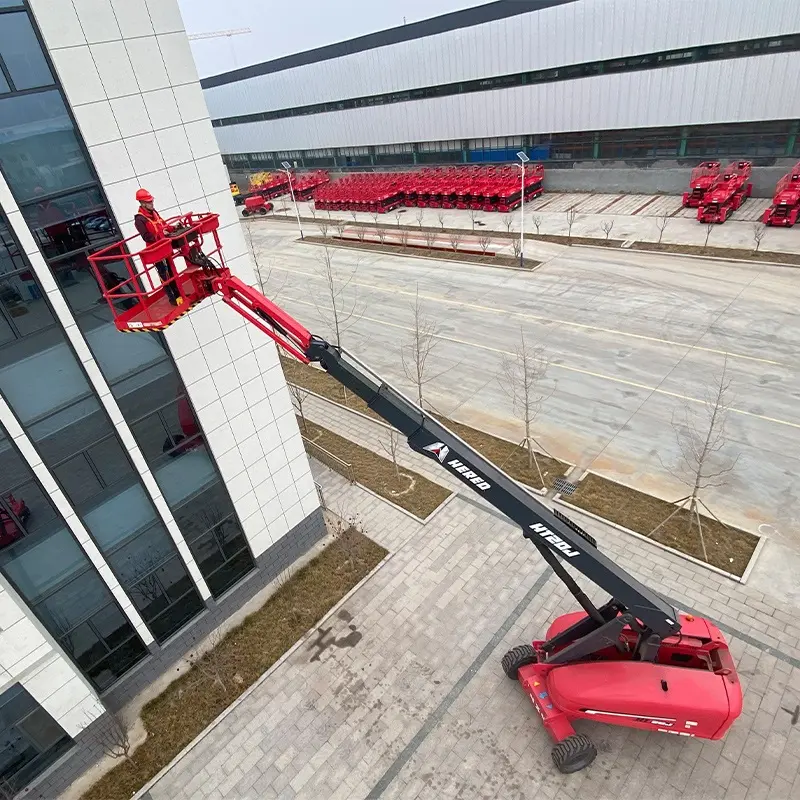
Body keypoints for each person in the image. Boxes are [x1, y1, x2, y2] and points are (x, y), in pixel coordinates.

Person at [133, 188, 183, 306]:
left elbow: (163, 224)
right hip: (155, 250)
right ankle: (172, 298)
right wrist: (159, 236)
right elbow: (146, 237)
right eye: (149, 202)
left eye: (151, 201)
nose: (152, 203)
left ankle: (179, 294)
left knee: (171, 271)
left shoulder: (154, 213)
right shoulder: (139, 219)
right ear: (142, 203)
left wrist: (174, 227)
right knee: (163, 274)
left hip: (164, 246)